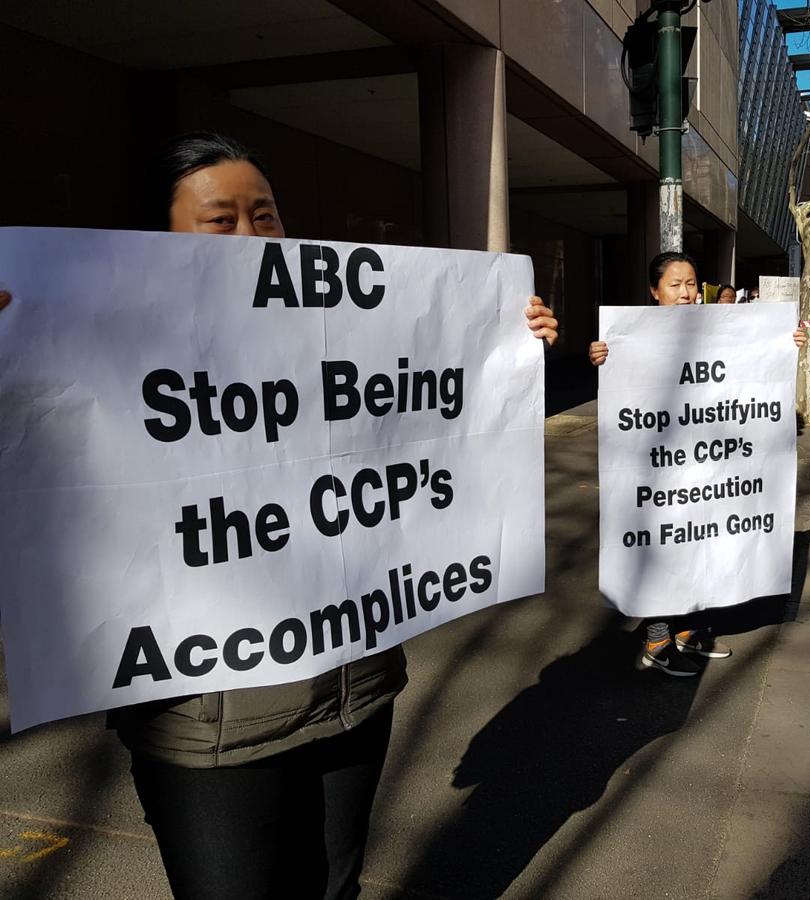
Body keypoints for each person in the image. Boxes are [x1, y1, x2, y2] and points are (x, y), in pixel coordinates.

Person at [0, 132, 557, 900]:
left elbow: (430, 409)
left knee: (335, 888)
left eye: (264, 215)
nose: (252, 236)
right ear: (154, 243)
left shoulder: (346, 336)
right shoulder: (95, 352)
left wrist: (506, 344)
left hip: (352, 691)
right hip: (204, 729)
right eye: (220, 220)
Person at [588, 252, 804, 676]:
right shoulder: (631, 336)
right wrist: (601, 356)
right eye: (675, 285)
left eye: (691, 283)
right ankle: (657, 639)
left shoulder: (721, 328)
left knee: (699, 540)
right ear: (654, 291)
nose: (686, 293)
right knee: (663, 543)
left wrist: (786, 343)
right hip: (658, 469)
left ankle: (687, 632)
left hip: (709, 468)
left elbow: (755, 364)